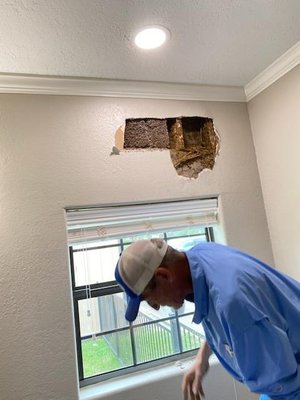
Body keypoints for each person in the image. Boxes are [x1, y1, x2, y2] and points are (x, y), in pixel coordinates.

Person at [115, 238, 300, 400]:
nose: (155, 306)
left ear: (164, 275)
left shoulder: (233, 307)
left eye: (148, 299)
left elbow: (287, 385)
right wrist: (201, 359)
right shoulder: (201, 253)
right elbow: (217, 316)